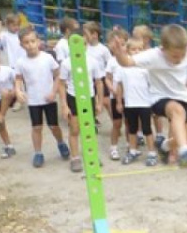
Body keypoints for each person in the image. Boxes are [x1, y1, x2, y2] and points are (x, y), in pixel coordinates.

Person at [115, 24, 187, 167]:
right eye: (175, 56)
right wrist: (119, 54)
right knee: (177, 111)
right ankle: (184, 151)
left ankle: (165, 146)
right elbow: (127, 62)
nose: (179, 59)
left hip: (182, 98)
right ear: (163, 48)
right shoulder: (152, 55)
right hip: (159, 98)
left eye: (183, 55)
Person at [14, 27, 70, 167]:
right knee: (36, 127)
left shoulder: (47, 58)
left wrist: (53, 92)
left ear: (38, 41)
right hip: (33, 101)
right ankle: (38, 153)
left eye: (33, 41)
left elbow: (58, 76)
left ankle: (61, 143)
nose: (30, 44)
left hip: (49, 99)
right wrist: (18, 91)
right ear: (21, 45)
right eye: (26, 42)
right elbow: (18, 79)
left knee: (53, 126)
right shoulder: (21, 62)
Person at [59, 37, 103, 173]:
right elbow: (61, 84)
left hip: (88, 98)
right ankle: (75, 158)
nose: (80, 47)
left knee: (89, 129)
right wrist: (64, 105)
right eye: (75, 44)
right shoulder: (66, 63)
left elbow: (98, 82)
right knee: (75, 129)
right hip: (73, 98)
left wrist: (99, 102)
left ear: (86, 45)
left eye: (83, 43)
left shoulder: (93, 62)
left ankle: (92, 155)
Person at [114, 38, 157, 166]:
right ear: (127, 50)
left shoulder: (146, 68)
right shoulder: (122, 68)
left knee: (147, 129)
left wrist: (153, 103)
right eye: (133, 49)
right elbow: (119, 86)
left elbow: (152, 86)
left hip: (144, 103)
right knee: (131, 129)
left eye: (139, 49)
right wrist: (119, 102)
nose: (137, 51)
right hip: (130, 103)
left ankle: (151, 153)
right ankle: (133, 151)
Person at [104, 27, 129, 160]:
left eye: (123, 44)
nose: (119, 47)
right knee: (117, 124)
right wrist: (111, 88)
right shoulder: (111, 61)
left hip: (130, 97)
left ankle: (130, 145)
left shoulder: (130, 59)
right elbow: (107, 78)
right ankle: (113, 147)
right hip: (116, 97)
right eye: (115, 44)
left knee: (130, 123)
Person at [0, 50, 17, 158]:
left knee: (5, 92)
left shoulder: (7, 71)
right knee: (0, 123)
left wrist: (16, 91)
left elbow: (18, 81)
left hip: (11, 96)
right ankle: (9, 146)